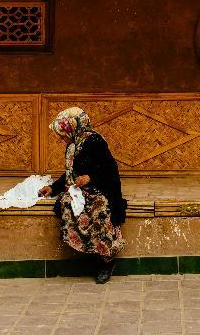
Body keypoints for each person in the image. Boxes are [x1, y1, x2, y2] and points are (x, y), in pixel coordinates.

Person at [38, 107, 127, 284]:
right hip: (79, 190)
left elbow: (110, 170)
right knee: (67, 203)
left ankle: (105, 261)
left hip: (101, 188)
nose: (61, 138)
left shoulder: (95, 141)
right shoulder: (73, 145)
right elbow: (70, 173)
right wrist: (53, 188)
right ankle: (90, 255)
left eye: (63, 134)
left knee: (99, 208)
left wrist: (91, 178)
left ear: (73, 128)